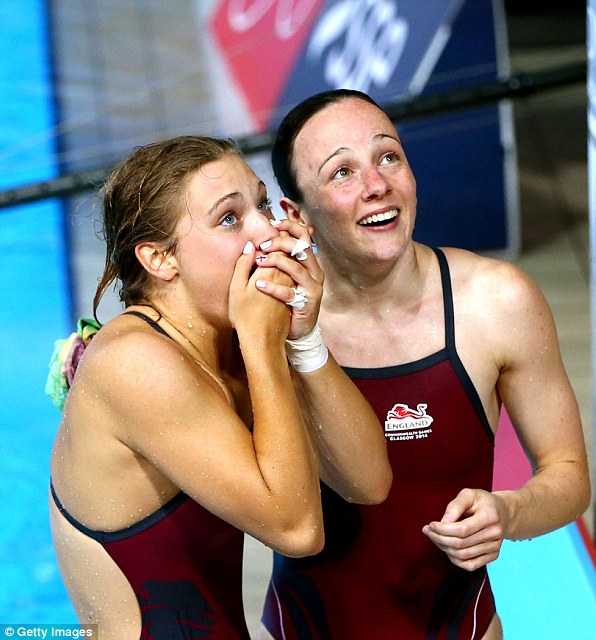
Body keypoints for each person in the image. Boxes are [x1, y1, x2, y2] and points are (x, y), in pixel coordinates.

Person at [256, 90, 591, 640]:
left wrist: (509, 512)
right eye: (341, 172)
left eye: (388, 156)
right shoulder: (269, 327)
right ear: (296, 214)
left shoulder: (496, 302)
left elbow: (569, 478)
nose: (376, 185)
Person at [46, 135, 391, 639]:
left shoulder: (231, 336)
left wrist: (305, 340)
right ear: (160, 259)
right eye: (230, 219)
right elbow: (298, 530)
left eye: (262, 204)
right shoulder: (135, 364)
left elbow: (368, 482)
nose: (268, 231)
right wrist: (264, 347)